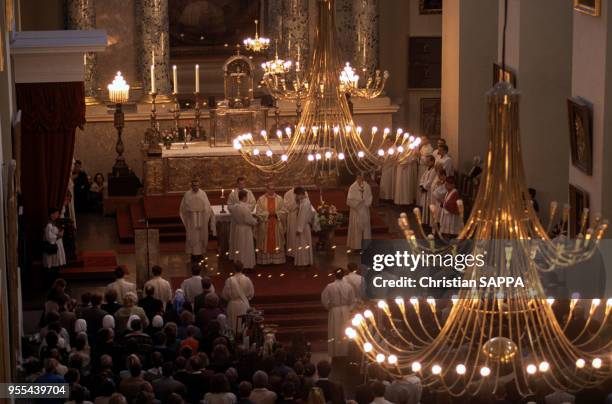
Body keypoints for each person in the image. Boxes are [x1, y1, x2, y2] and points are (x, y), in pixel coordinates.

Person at [321, 269, 356, 358]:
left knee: (335, 330)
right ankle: (345, 351)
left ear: (334, 275)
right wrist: (349, 309)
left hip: (334, 310)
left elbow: (324, 299)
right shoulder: (348, 286)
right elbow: (353, 300)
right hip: (345, 310)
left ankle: (335, 352)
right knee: (345, 330)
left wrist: (329, 307)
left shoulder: (330, 286)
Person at [180, 178, 216, 262]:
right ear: (191, 186)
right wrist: (189, 210)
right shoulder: (187, 194)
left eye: (197, 185)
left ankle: (200, 254)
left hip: (201, 219)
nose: (195, 187)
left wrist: (203, 210)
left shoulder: (203, 193)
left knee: (201, 237)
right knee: (192, 237)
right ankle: (192, 254)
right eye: (194, 185)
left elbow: (208, 206)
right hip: (191, 220)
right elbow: (182, 208)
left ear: (199, 185)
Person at [255, 183, 287, 265]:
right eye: (270, 189)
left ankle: (277, 260)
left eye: (273, 189)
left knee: (276, 240)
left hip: (276, 223)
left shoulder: (279, 199)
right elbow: (258, 212)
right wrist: (268, 214)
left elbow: (284, 211)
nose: (272, 191)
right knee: (265, 241)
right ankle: (266, 260)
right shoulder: (261, 199)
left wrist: (276, 214)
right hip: (265, 223)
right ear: (267, 189)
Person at [222, 261, 254, 334]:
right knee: (243, 326)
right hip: (244, 304)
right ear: (242, 268)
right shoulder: (247, 279)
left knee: (233, 325)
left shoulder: (229, 280)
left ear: (234, 269)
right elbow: (251, 294)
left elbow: (225, 295)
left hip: (232, 305)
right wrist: (246, 298)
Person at [228, 190, 258, 269]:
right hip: (246, 229)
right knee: (247, 248)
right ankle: (247, 265)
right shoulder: (245, 208)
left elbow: (234, 217)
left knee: (239, 247)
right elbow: (249, 220)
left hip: (238, 228)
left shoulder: (234, 207)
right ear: (245, 197)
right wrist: (256, 221)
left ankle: (239, 265)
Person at [228, 177, 256, 257]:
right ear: (237, 184)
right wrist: (239, 209)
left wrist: (245, 208)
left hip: (246, 217)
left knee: (246, 242)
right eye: (240, 184)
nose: (242, 185)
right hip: (236, 221)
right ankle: (237, 256)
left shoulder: (249, 193)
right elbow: (229, 206)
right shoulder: (233, 194)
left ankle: (243, 257)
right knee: (237, 241)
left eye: (243, 183)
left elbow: (253, 203)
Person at [346, 173, 373, 251]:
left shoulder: (367, 186)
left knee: (366, 228)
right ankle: (356, 246)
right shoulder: (352, 187)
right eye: (358, 177)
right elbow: (349, 200)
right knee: (356, 228)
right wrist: (358, 202)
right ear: (356, 177)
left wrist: (366, 202)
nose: (360, 179)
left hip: (364, 209)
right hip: (356, 211)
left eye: (361, 177)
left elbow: (370, 196)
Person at [43, 207, 67, 287]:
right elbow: (49, 238)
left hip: (57, 246)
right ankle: (51, 284)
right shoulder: (49, 225)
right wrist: (58, 236)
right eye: (56, 213)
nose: (58, 215)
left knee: (56, 266)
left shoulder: (54, 223)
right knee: (52, 266)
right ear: (51, 214)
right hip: (52, 248)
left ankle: (56, 283)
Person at [283, 187, 308, 258]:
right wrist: (295, 203)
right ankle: (293, 253)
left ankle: (301, 255)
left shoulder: (304, 193)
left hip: (302, 219)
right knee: (292, 235)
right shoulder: (287, 194)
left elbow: (306, 204)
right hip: (292, 217)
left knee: (301, 237)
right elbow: (286, 207)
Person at [293, 187, 314, 267]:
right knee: (304, 244)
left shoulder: (305, 203)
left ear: (300, 194)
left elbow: (302, 217)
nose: (296, 197)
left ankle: (303, 262)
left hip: (303, 228)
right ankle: (306, 261)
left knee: (303, 245)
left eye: (297, 195)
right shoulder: (305, 202)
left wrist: (299, 229)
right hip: (305, 227)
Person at [418, 155, 437, 226]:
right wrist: (421, 185)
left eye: (428, 161)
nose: (427, 162)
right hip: (425, 190)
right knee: (424, 206)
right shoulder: (428, 169)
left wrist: (424, 187)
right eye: (426, 161)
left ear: (432, 161)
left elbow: (430, 180)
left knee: (428, 206)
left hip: (429, 191)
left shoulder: (434, 170)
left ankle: (428, 222)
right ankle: (424, 221)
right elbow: (423, 177)